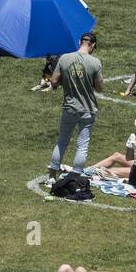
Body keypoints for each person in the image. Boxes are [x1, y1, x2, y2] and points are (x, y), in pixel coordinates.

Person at [47, 31, 104, 176]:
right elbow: (99, 88)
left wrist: (65, 80)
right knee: (82, 145)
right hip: (88, 109)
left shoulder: (65, 58)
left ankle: (52, 175)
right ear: (93, 45)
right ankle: (76, 176)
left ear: (80, 42)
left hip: (70, 107)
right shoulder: (95, 62)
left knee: (62, 141)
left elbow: (53, 81)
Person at [88, 108, 136, 188]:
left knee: (115, 168)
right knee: (117, 160)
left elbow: (129, 157)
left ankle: (90, 170)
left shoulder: (133, 136)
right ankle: (93, 171)